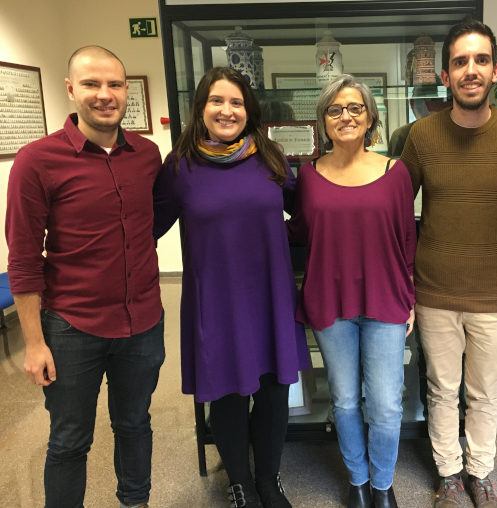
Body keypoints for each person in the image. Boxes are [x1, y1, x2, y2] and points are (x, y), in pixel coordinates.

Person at [5, 46, 164, 508]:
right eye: (92, 84)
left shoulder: (148, 155)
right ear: (71, 90)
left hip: (143, 323)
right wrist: (34, 343)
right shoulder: (38, 161)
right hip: (73, 327)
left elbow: (151, 222)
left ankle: (136, 502)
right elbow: (24, 259)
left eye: (114, 84)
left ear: (126, 90)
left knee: (135, 424)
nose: (104, 94)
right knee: (70, 440)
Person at [152, 67, 309, 508]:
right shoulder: (180, 166)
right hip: (215, 301)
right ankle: (239, 481)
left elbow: (308, 215)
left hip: (270, 296)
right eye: (216, 101)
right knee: (226, 393)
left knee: (274, 390)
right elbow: (147, 227)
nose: (227, 110)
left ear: (249, 110)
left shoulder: (271, 157)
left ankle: (269, 480)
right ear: (200, 109)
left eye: (236, 102)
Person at [400, 19, 497, 508]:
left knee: (484, 393)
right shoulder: (420, 136)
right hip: (434, 289)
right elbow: (396, 210)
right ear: (445, 73)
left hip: (494, 292)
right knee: (441, 389)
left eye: (480, 60)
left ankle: (480, 473)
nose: (471, 70)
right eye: (461, 62)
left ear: (495, 70)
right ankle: (450, 476)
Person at [288, 74, 416, 508]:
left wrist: (410, 295)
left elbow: (406, 239)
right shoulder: (307, 175)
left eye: (355, 108)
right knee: (343, 400)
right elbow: (300, 231)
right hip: (329, 301)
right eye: (335, 109)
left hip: (386, 300)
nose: (346, 116)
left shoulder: (395, 172)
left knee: (385, 404)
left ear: (370, 117)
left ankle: (382, 484)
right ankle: (358, 481)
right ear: (323, 121)